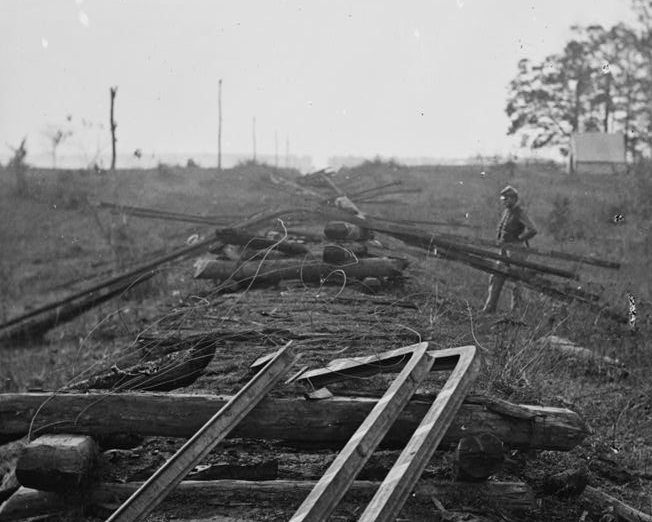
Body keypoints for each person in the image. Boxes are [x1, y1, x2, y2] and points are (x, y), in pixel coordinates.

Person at [481, 185, 538, 314]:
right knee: (496, 276)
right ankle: (489, 308)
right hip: (504, 249)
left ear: (514, 199)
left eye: (507, 198)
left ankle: (516, 312)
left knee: (517, 280)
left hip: (516, 250)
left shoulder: (520, 212)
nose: (504, 200)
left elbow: (533, 229)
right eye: (503, 198)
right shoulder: (506, 212)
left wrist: (519, 238)